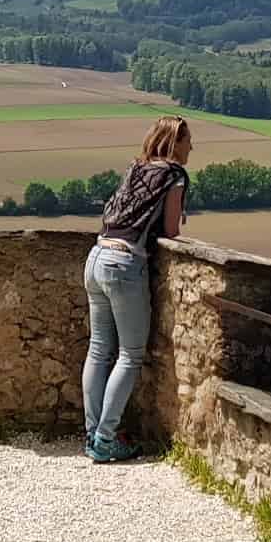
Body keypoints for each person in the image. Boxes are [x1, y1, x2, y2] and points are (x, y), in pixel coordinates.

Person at [82, 115, 191, 463]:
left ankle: (92, 431)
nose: (192, 148)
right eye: (188, 141)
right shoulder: (174, 174)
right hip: (125, 264)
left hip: (96, 257)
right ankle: (105, 438)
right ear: (174, 142)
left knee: (99, 350)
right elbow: (172, 231)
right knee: (130, 354)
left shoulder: (136, 167)